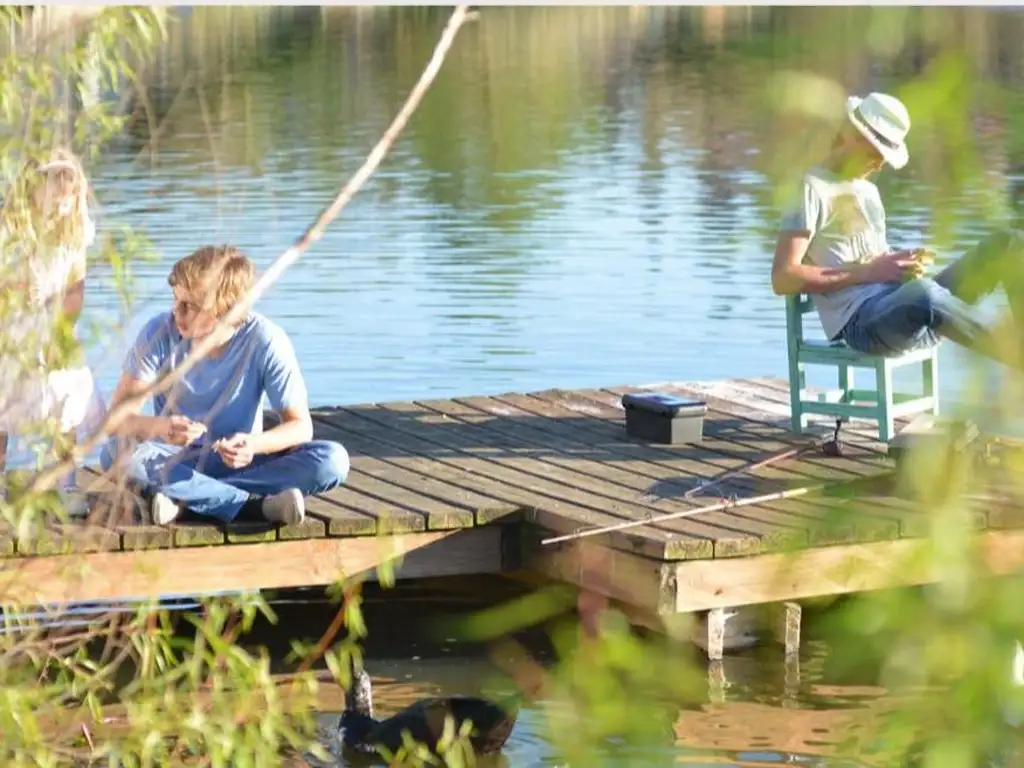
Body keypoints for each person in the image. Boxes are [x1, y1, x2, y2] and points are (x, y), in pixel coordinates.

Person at [771, 91, 1024, 370]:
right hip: (862, 323)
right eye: (875, 153)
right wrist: (869, 272)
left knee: (1010, 244)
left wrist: (899, 265)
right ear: (851, 135)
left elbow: (873, 258)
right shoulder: (811, 189)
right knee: (924, 294)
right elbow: (783, 277)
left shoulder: (868, 192)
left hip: (905, 311)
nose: (880, 164)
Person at [100, 244, 350, 526]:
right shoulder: (158, 332)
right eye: (176, 299)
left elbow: (300, 427)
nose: (176, 312)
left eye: (190, 306)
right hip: (173, 463)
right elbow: (115, 418)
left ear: (226, 310)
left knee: (332, 459)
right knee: (115, 451)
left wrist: (252, 445)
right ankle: (254, 507)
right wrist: (162, 428)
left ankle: (186, 503)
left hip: (240, 465)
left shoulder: (266, 340)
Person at [0, 148, 106, 501]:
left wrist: (62, 328)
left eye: (69, 197)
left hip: (54, 322)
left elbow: (76, 288)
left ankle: (66, 482)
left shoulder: (73, 234)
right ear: (31, 192)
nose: (64, 204)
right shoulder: (10, 233)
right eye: (55, 196)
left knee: (67, 395)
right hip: (11, 328)